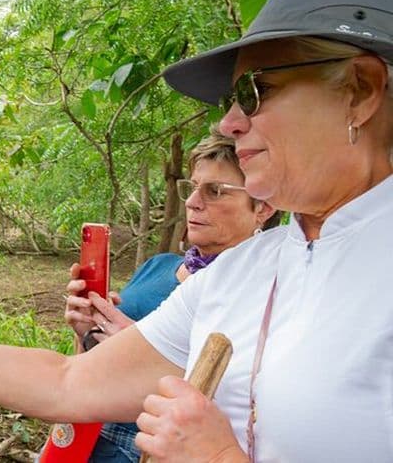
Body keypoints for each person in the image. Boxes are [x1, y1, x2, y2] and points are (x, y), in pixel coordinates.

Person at [0, 0, 393, 462]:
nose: (230, 122)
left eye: (257, 92)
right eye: (232, 99)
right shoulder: (242, 272)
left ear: (361, 91)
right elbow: (69, 382)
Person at [64, 129, 279, 463]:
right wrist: (85, 331)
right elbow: (84, 368)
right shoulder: (158, 266)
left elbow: (248, 402)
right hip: (83, 440)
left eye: (215, 191)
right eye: (192, 188)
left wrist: (136, 360)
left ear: (263, 207)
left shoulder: (266, 298)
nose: (193, 202)